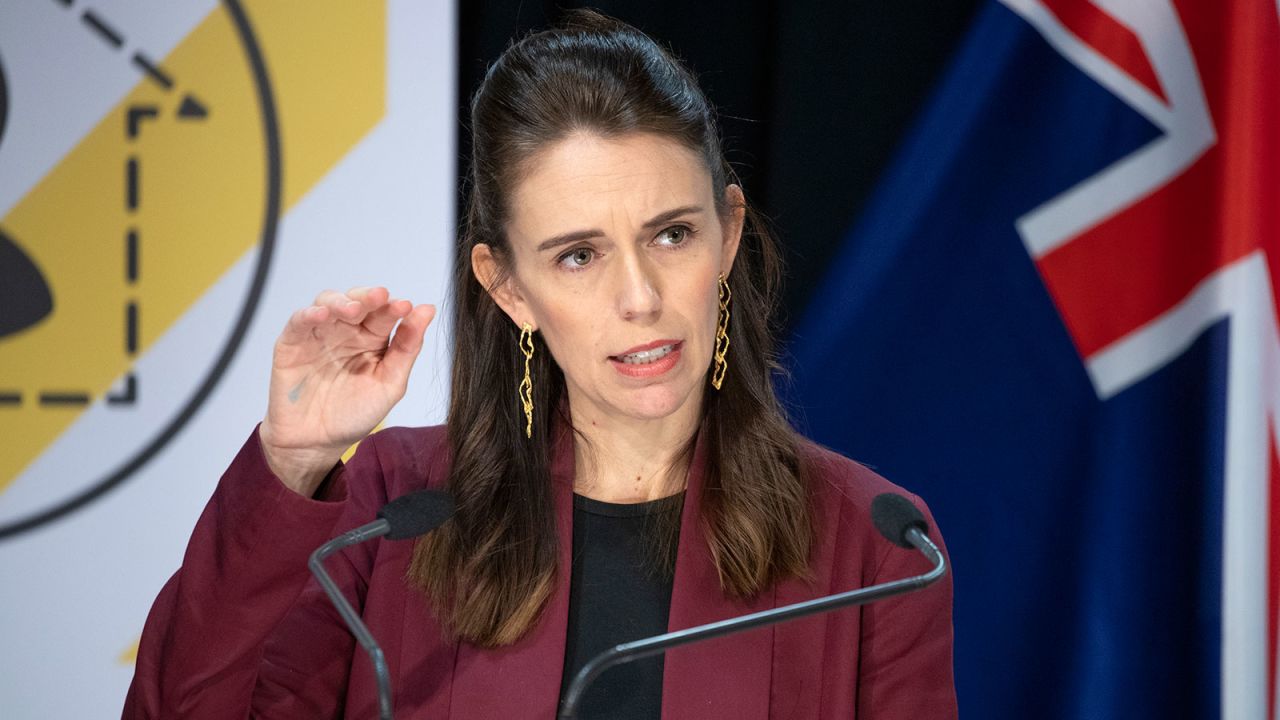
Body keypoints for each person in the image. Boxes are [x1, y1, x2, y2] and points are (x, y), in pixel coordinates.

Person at [123, 10, 956, 720]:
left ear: (728, 232)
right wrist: (292, 462)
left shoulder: (878, 550)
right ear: (508, 286)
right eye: (578, 256)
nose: (640, 297)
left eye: (672, 234)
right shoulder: (393, 508)